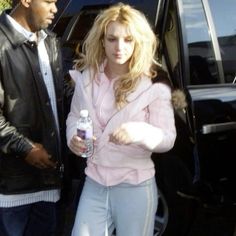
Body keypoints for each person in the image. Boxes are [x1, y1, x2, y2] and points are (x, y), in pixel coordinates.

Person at [66, 3, 176, 236]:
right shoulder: (88, 78)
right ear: (102, 41)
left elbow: (168, 138)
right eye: (112, 39)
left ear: (139, 42)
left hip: (134, 186)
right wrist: (73, 138)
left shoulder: (154, 83)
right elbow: (75, 116)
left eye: (128, 39)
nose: (119, 47)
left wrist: (139, 132)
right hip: (94, 182)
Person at [0, 0, 73, 235]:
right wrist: (25, 147)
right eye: (49, 1)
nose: (55, 8)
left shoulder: (49, 40)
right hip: (11, 189)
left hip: (49, 182)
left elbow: (57, 97)